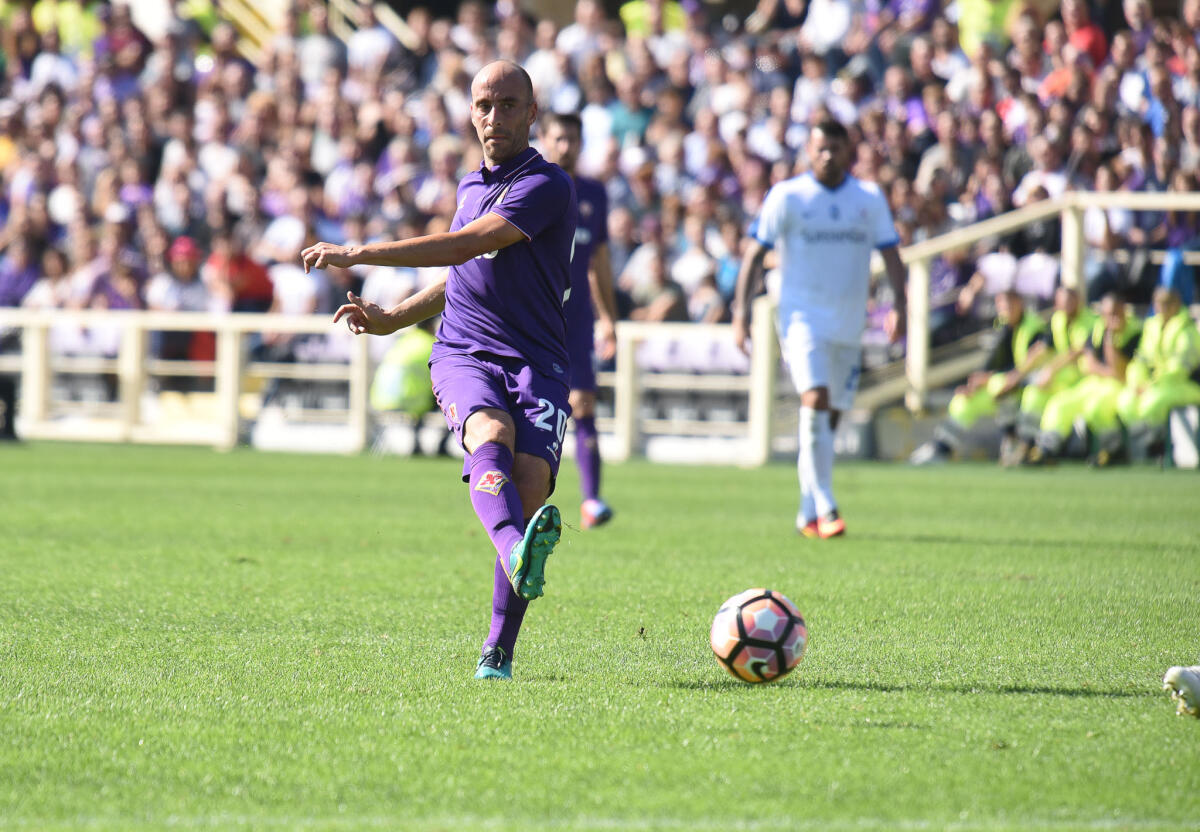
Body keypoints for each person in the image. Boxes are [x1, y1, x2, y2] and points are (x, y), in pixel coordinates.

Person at [301, 61, 578, 682]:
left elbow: (467, 246)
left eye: (509, 105)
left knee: (529, 486)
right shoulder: (468, 186)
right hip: (465, 352)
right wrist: (397, 317)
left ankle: (498, 650)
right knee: (492, 439)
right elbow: (463, 276)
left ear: (532, 114)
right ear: (470, 112)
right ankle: (514, 552)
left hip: (538, 359)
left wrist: (358, 252)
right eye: (484, 104)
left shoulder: (548, 185)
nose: (494, 116)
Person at [733, 118, 908, 540]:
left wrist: (900, 305)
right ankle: (828, 505)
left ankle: (806, 511)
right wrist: (739, 313)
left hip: (849, 321)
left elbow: (891, 253)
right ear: (808, 152)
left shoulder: (868, 198)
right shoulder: (788, 196)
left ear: (848, 151)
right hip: (800, 318)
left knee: (827, 420)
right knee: (816, 399)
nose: (827, 155)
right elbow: (756, 253)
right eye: (820, 148)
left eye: (835, 147)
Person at [539, 111, 620, 530]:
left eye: (572, 139)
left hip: (577, 318)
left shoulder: (594, 193)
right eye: (559, 139)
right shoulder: (533, 187)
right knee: (534, 406)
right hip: (537, 315)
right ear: (546, 141)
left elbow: (598, 260)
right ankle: (529, 495)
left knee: (584, 404)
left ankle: (591, 499)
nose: (566, 146)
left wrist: (609, 318)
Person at [910, 289, 1047, 465]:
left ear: (1019, 303)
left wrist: (992, 377)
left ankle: (1017, 441)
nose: (1005, 309)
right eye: (1001, 306)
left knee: (1001, 386)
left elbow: (1030, 363)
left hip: (1030, 384)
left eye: (1008, 305)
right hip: (1005, 383)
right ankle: (941, 448)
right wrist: (976, 381)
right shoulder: (1003, 325)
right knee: (966, 399)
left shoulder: (1034, 326)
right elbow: (995, 359)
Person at [1025, 293, 1142, 466]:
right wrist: (1104, 371)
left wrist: (1110, 342)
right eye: (1108, 314)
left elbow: (1119, 373)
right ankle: (1046, 450)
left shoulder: (1134, 331)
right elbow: (1089, 364)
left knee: (1096, 406)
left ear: (1124, 311)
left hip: (1121, 385)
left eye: (1116, 313)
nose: (1112, 318)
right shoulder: (1098, 328)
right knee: (1061, 403)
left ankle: (1113, 450)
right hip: (1095, 382)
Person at [1011, 286, 1098, 463]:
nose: (1066, 306)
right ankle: (1026, 444)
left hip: (1085, 380)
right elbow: (1042, 348)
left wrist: (1051, 370)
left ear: (1078, 302)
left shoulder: (1091, 321)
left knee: (1058, 406)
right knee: (1033, 393)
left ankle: (1046, 450)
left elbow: (1077, 352)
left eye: (1070, 302)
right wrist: (1016, 374)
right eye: (1062, 302)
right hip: (1064, 380)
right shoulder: (1057, 320)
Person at [1114, 287, 1200, 462]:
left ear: (1177, 304)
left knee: (1153, 402)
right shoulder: (1151, 326)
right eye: (1159, 303)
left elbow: (1182, 367)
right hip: (1155, 384)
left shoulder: (1187, 328)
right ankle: (1143, 446)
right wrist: (1137, 382)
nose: (1162, 307)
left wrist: (1151, 384)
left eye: (1167, 303)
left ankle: (1158, 446)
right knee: (1126, 400)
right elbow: (1141, 360)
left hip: (1186, 384)